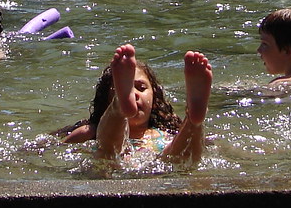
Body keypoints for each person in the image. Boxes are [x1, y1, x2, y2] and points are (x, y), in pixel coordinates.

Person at [60, 43, 211, 166]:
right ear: (106, 99)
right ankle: (120, 106)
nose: (136, 94)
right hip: (132, 165)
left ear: (155, 100)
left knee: (174, 155)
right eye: (127, 89)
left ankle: (193, 119)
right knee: (107, 150)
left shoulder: (166, 135)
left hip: (155, 164)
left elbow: (55, 152)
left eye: (141, 88)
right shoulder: (90, 132)